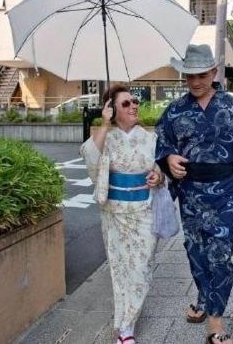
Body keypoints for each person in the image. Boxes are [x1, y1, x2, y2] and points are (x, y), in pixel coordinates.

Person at [154, 44, 233, 344]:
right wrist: (168, 159)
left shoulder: (231, 107)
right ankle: (204, 297)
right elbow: (162, 142)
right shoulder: (175, 110)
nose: (195, 82)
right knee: (195, 252)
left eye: (201, 75)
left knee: (220, 255)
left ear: (214, 73)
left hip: (225, 194)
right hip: (190, 193)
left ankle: (215, 322)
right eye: (189, 75)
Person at [80, 84, 165, 344]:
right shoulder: (108, 137)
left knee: (140, 268)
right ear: (112, 109)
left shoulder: (150, 138)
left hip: (143, 211)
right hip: (114, 212)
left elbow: (161, 170)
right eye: (126, 103)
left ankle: (131, 311)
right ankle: (126, 328)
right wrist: (104, 125)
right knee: (119, 268)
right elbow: (90, 159)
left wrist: (157, 176)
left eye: (135, 101)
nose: (133, 106)